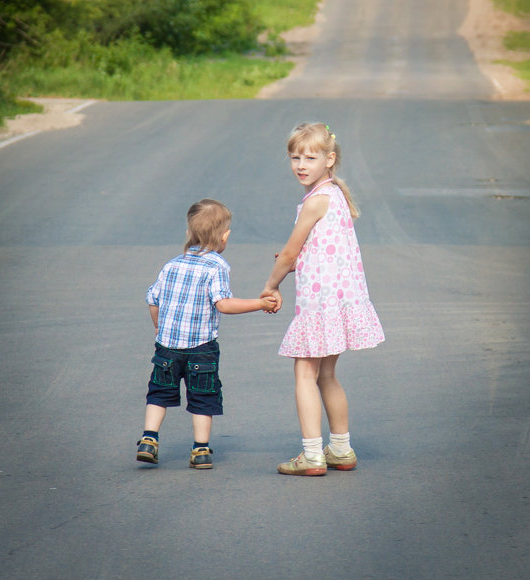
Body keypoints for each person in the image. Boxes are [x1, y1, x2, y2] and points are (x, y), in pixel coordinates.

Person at [261, 122, 385, 476]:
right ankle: (341, 450)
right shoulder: (336, 195)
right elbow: (326, 251)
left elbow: (289, 252)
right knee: (326, 374)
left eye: (310, 157)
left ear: (329, 159)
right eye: (295, 157)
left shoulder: (315, 201)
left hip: (320, 304)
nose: (301, 164)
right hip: (342, 299)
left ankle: (313, 454)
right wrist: (303, 261)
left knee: (304, 371)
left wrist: (272, 285)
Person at [137, 198, 277, 470]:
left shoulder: (171, 265)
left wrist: (159, 326)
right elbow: (223, 304)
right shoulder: (217, 267)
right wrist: (259, 304)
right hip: (201, 347)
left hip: (166, 346)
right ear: (225, 236)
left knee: (159, 393)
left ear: (190, 233)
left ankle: (148, 439)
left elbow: (153, 300)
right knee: (202, 397)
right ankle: (200, 450)